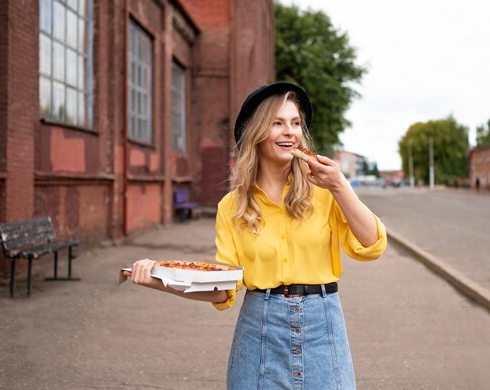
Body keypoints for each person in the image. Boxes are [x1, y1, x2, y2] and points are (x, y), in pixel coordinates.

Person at [126, 82, 387, 390]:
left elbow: (371, 246)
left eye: (295, 123)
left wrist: (341, 186)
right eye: (277, 123)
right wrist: (159, 279)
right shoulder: (232, 206)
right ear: (257, 134)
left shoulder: (325, 192)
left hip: (323, 328)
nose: (289, 131)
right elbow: (222, 290)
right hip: (259, 331)